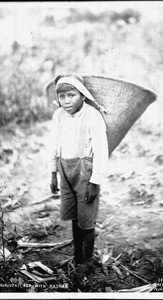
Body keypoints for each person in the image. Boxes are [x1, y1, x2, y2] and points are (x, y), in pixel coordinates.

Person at [49, 74, 108, 273]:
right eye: (62, 96)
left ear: (82, 95)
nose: (66, 101)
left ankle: (88, 261)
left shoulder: (93, 116)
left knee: (86, 218)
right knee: (74, 215)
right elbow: (54, 144)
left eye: (71, 95)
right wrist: (53, 173)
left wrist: (95, 181)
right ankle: (77, 255)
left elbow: (101, 149)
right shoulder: (58, 116)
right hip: (65, 170)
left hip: (86, 172)